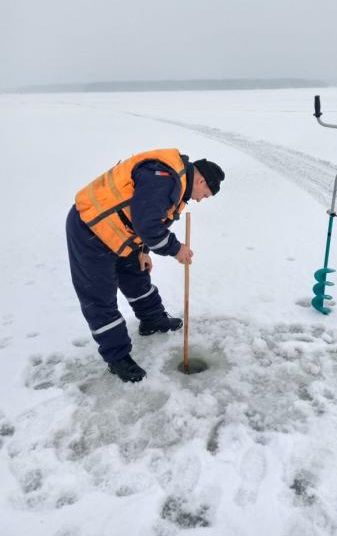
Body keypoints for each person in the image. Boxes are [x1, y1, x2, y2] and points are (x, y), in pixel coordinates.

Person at [66, 148, 224, 383]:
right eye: (205, 194)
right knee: (99, 296)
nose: (201, 199)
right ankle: (117, 358)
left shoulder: (175, 182)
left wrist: (143, 250)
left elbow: (143, 214)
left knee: (137, 274)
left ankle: (152, 318)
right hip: (92, 228)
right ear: (200, 180)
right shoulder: (163, 178)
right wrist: (176, 249)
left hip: (122, 232)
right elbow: (148, 225)